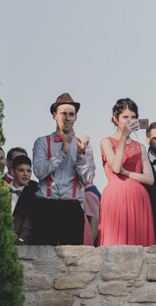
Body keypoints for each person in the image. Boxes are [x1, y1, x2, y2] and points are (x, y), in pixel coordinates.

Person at [32, 92, 96, 246]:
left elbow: (88, 180)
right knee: (44, 258)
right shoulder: (41, 142)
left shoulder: (84, 145)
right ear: (55, 115)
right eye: (63, 114)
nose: (67, 118)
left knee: (73, 261)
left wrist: (81, 155)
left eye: (71, 114)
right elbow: (39, 172)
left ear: (75, 117)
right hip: (46, 207)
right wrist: (61, 153)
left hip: (72, 208)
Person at [98, 98, 154, 246]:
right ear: (116, 119)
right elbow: (116, 168)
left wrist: (127, 173)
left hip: (139, 199)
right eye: (125, 117)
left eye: (133, 117)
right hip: (115, 197)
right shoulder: (106, 141)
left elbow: (150, 179)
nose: (129, 121)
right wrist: (123, 138)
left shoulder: (140, 147)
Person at [9, 155, 38, 245]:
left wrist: (20, 242)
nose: (26, 174)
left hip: (23, 245)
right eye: (21, 170)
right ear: (13, 172)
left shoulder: (35, 195)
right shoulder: (0, 191)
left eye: (28, 171)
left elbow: (29, 224)